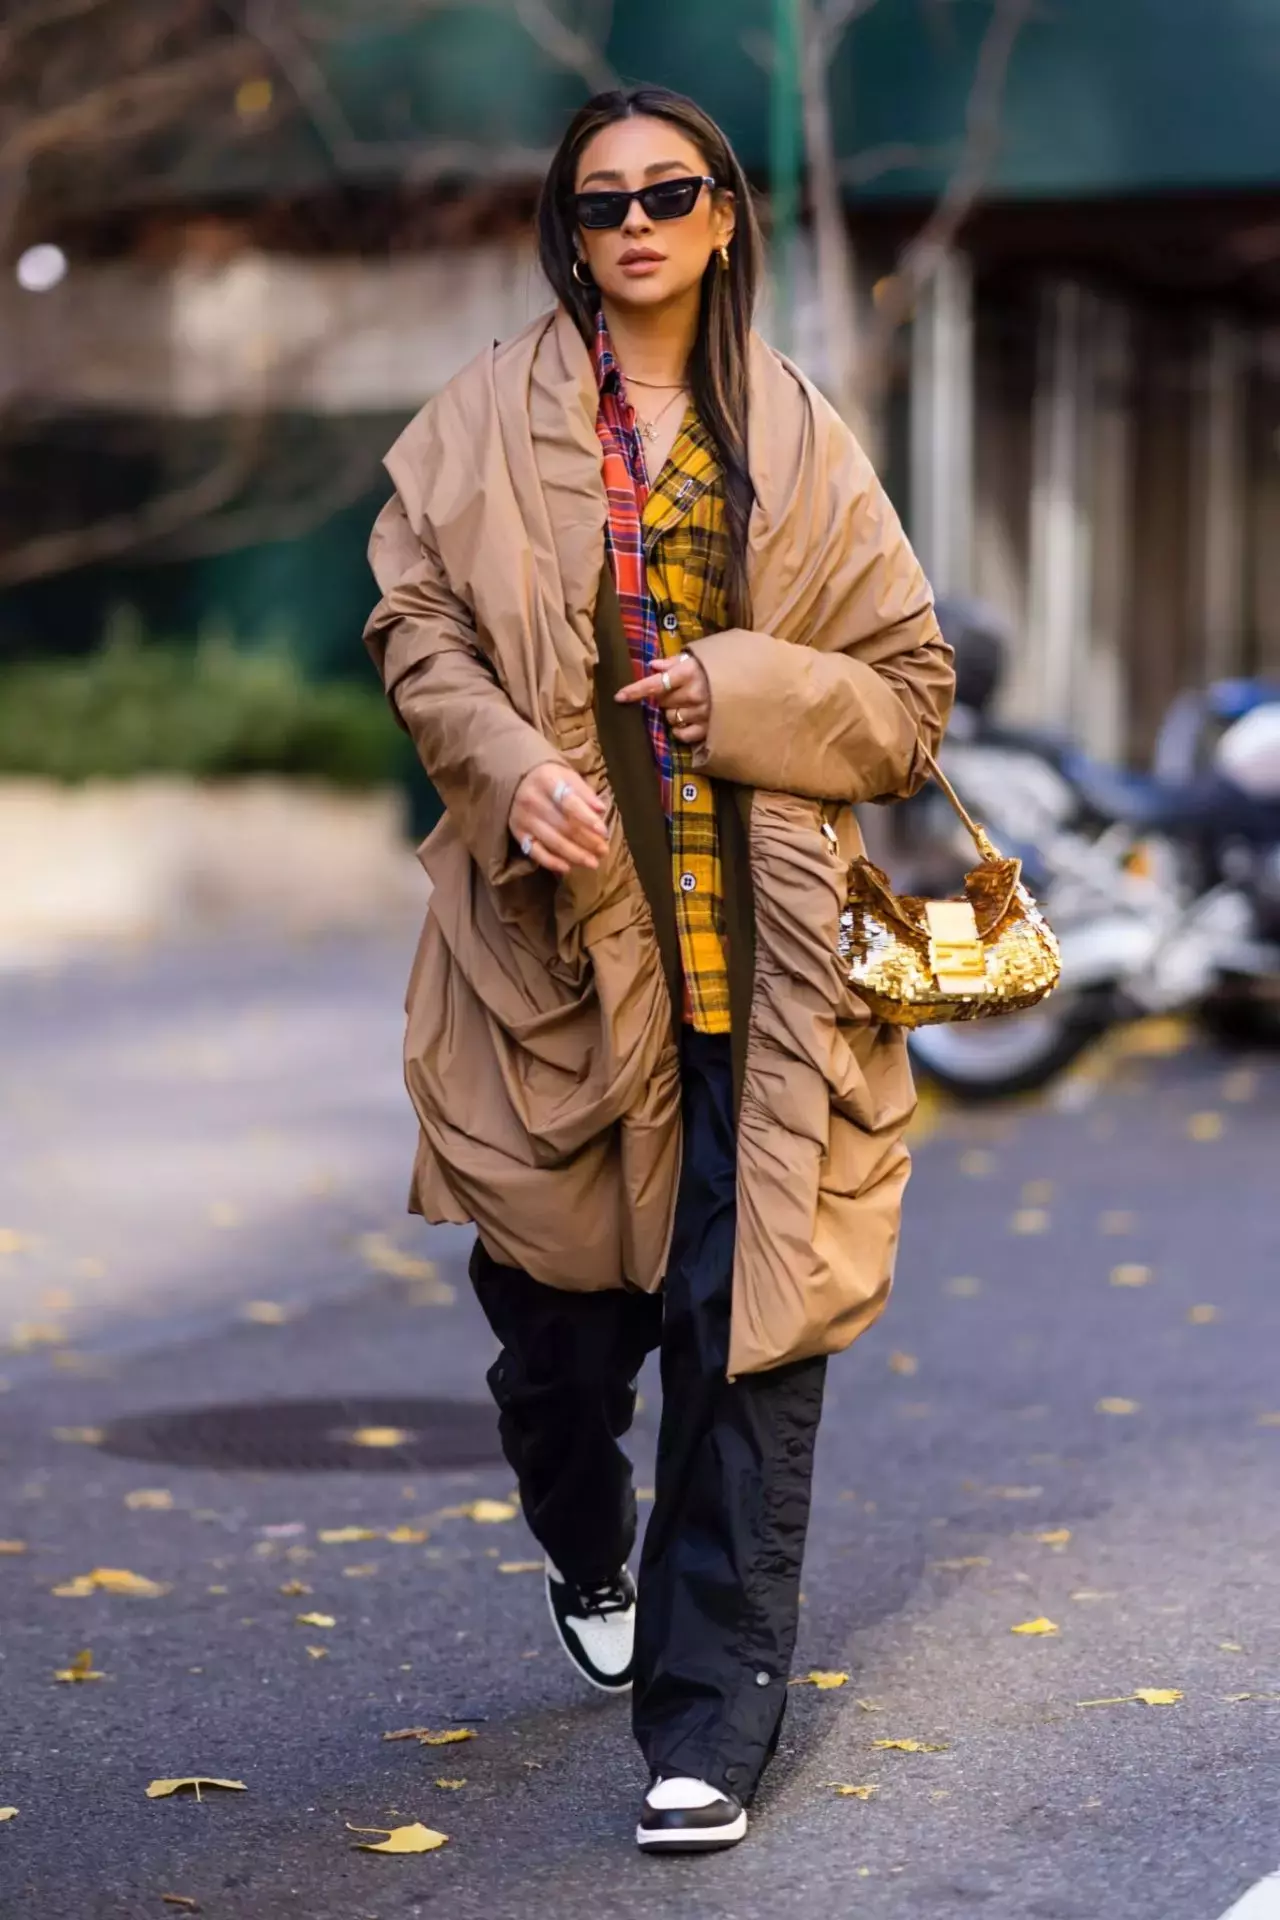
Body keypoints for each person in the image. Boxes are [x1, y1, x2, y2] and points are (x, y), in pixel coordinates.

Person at [364, 85, 954, 1855]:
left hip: (765, 979)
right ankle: (582, 1533)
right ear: (570, 227)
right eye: (601, 197)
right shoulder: (479, 422)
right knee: (561, 1340)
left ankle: (705, 1721)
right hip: (554, 971)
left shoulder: (798, 431)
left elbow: (910, 699)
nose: (633, 222)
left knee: (744, 1334)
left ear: (717, 220)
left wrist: (749, 694)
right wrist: (504, 764)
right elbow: (414, 624)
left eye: (668, 193)